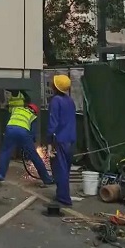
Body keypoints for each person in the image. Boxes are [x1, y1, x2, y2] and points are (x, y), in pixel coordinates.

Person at [0, 102, 54, 185]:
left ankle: (0, 175)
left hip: (9, 129)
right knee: (34, 156)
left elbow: (10, 120)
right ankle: (47, 179)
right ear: (34, 111)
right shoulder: (33, 116)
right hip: (23, 132)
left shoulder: (17, 109)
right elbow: (32, 134)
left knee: (5, 152)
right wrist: (31, 143)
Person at [47, 74, 77, 206]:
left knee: (60, 169)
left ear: (56, 87)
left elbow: (53, 123)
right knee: (66, 168)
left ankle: (64, 198)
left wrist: (49, 143)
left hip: (60, 140)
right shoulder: (70, 101)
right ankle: (61, 194)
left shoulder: (55, 101)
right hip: (71, 139)